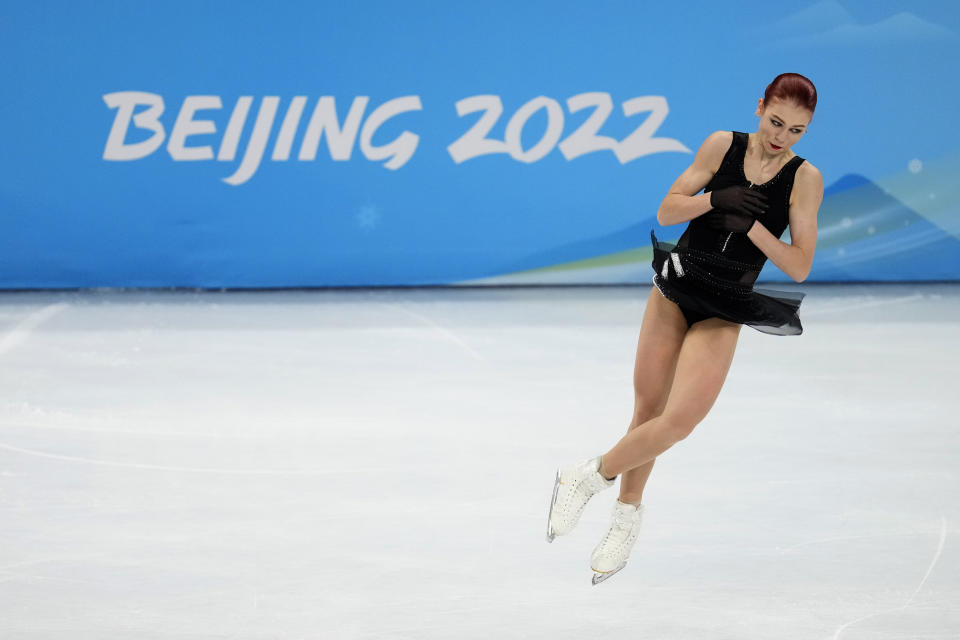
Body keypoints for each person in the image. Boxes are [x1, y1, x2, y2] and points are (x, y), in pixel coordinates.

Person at [545, 73, 825, 585]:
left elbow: (800, 264)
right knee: (647, 411)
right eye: (776, 121)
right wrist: (715, 202)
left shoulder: (805, 179)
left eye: (797, 130)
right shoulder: (722, 145)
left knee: (679, 422)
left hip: (726, 304)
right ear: (760, 107)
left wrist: (755, 228)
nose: (782, 135)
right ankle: (625, 520)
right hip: (677, 286)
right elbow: (668, 209)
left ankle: (588, 476)